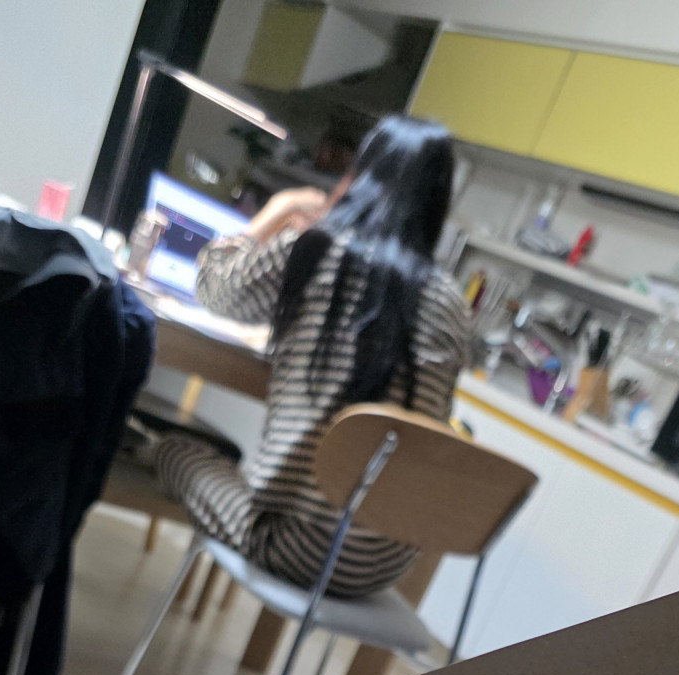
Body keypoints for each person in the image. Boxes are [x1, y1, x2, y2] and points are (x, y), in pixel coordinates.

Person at [152, 114, 470, 598]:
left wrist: (279, 210)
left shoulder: (320, 249)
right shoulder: (451, 300)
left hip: (295, 549)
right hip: (385, 566)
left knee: (173, 449)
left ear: (361, 177)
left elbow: (215, 290)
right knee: (289, 486)